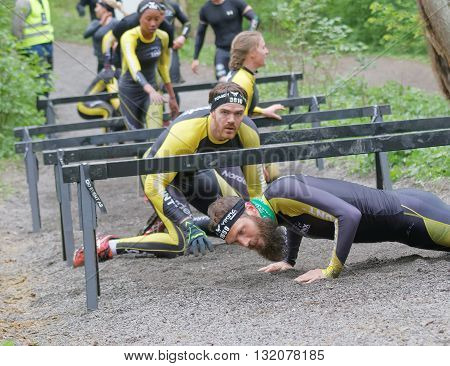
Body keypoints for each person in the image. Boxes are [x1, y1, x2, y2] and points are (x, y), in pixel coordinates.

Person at [72, 82, 267, 267]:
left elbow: (256, 188)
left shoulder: (247, 130)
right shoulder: (187, 132)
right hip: (161, 178)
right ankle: (109, 246)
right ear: (212, 112)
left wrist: (264, 218)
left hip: (196, 173)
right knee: (180, 243)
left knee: (233, 220)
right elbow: (153, 185)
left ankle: (167, 226)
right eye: (224, 112)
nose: (232, 120)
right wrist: (186, 223)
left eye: (238, 113)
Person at [207, 175, 450, 283]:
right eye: (236, 242)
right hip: (406, 224)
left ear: (249, 208)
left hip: (413, 215)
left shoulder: (284, 190)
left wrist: (330, 271)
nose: (245, 242)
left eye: (241, 231)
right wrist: (289, 260)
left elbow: (349, 215)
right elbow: (294, 220)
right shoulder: (275, 208)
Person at [118, 0, 179, 130]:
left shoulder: (163, 36)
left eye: (157, 19)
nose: (153, 23)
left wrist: (172, 97)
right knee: (137, 136)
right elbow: (134, 70)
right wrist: (150, 90)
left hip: (152, 91)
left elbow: (163, 67)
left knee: (154, 133)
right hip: (130, 91)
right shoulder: (129, 37)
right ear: (140, 18)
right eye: (148, 19)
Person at [192, 0, 259, 81]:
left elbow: (255, 19)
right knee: (222, 82)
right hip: (222, 51)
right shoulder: (205, 9)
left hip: (240, 51)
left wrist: (248, 37)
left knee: (244, 80)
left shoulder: (235, 2)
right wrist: (195, 58)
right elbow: (200, 33)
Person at [12, 0, 54, 92]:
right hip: (32, 45)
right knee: (39, 76)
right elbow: (16, 26)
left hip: (47, 43)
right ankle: (40, 104)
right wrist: (18, 46)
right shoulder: (23, 2)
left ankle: (44, 102)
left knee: (47, 75)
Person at [160, 0, 191, 84]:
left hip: (170, 48)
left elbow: (187, 23)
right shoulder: (145, 5)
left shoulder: (172, 5)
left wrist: (182, 36)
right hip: (151, 49)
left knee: (174, 83)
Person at [83, 0, 119, 72]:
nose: (95, 10)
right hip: (100, 61)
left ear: (104, 9)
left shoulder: (114, 22)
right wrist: (100, 23)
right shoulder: (95, 22)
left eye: (97, 7)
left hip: (113, 62)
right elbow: (85, 35)